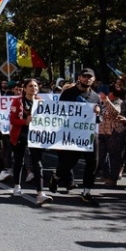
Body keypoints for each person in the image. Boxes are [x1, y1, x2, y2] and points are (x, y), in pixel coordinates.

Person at [48, 68, 101, 206]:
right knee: (71, 161)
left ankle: (86, 193)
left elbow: (98, 119)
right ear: (79, 77)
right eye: (85, 76)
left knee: (93, 163)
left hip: (90, 134)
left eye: (90, 77)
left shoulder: (96, 97)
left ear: (93, 79)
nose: (87, 79)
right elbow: (59, 112)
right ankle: (57, 176)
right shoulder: (68, 93)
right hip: (72, 134)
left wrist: (98, 113)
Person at [9, 78, 52, 205]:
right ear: (25, 88)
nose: (34, 88)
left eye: (35, 86)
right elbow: (13, 120)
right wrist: (25, 121)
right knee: (18, 161)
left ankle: (40, 193)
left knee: (37, 164)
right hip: (21, 136)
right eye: (30, 86)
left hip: (36, 138)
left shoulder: (41, 102)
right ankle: (17, 185)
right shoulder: (17, 102)